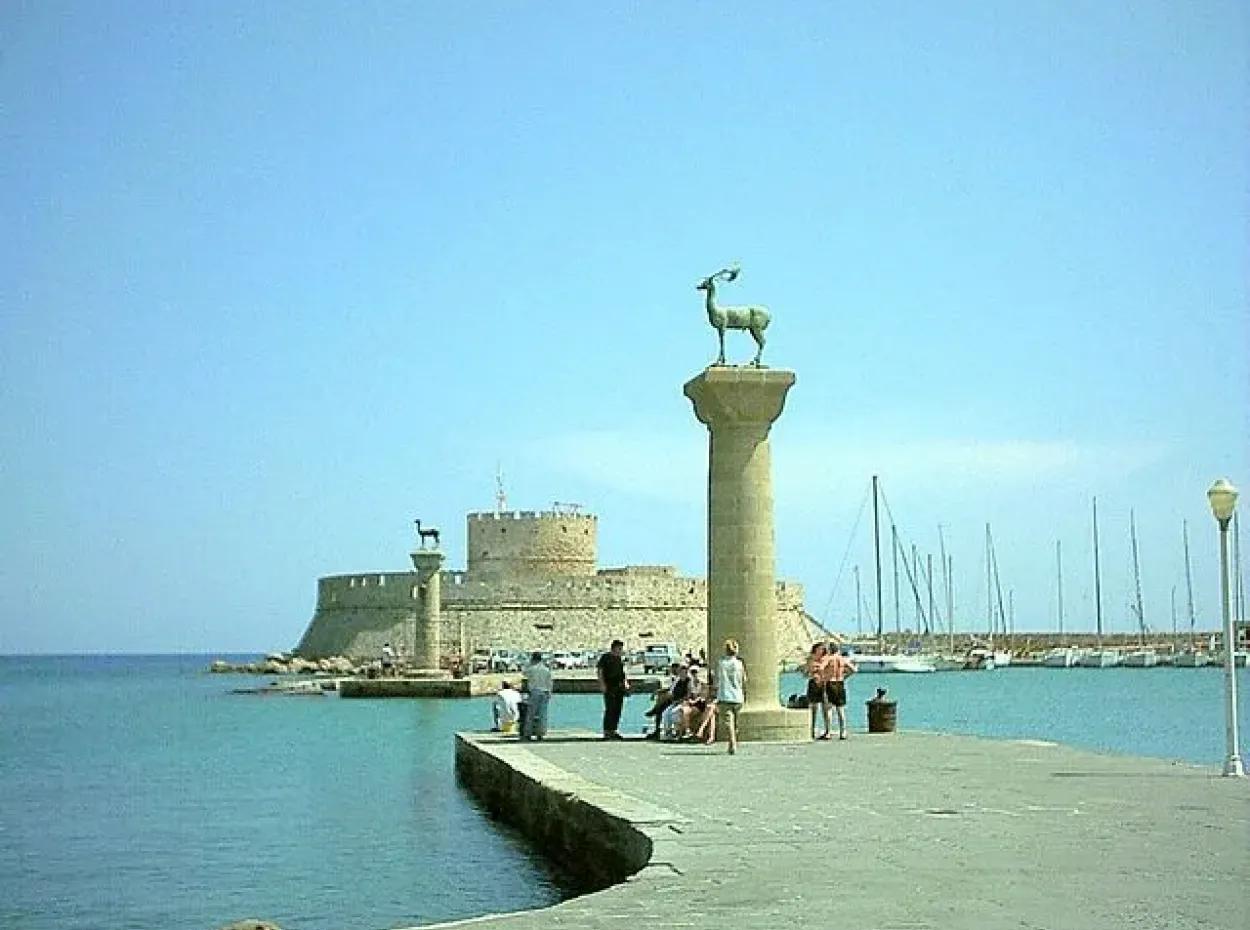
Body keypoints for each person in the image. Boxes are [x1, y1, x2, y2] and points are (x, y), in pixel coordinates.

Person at [713, 638, 746, 755]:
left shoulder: (721, 663)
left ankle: (732, 743)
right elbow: (744, 679)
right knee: (735, 722)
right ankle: (734, 741)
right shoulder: (739, 663)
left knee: (729, 723)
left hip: (725, 695)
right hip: (738, 696)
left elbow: (717, 680)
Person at [595, 639, 630, 740]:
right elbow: (600, 671)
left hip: (619, 687)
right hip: (609, 686)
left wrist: (626, 684)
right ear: (614, 648)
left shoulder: (619, 659)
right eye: (619, 648)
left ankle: (613, 730)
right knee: (610, 709)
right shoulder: (606, 657)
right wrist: (602, 684)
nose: (621, 650)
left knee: (617, 709)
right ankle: (607, 731)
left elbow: (623, 674)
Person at [824, 645, 857, 740]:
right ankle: (843, 732)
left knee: (829, 708)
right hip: (840, 682)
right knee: (840, 709)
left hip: (830, 682)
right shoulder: (842, 659)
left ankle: (828, 732)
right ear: (837, 650)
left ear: (830, 650)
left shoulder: (829, 659)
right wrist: (845, 676)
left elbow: (821, 668)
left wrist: (824, 677)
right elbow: (853, 670)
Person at [520, 652, 553, 741]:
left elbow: (523, 673)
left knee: (531, 714)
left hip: (534, 692)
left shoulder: (531, 669)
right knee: (542, 714)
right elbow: (550, 683)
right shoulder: (546, 670)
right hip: (545, 692)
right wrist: (550, 693)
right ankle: (541, 733)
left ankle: (528, 733)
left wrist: (528, 663)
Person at [804, 642, 832, 739]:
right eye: (820, 649)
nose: (822, 651)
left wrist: (818, 669)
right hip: (813, 683)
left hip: (824, 684)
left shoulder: (827, 658)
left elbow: (826, 669)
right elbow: (807, 671)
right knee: (813, 708)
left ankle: (828, 731)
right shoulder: (810, 658)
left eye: (823, 649)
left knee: (826, 708)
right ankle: (811, 730)